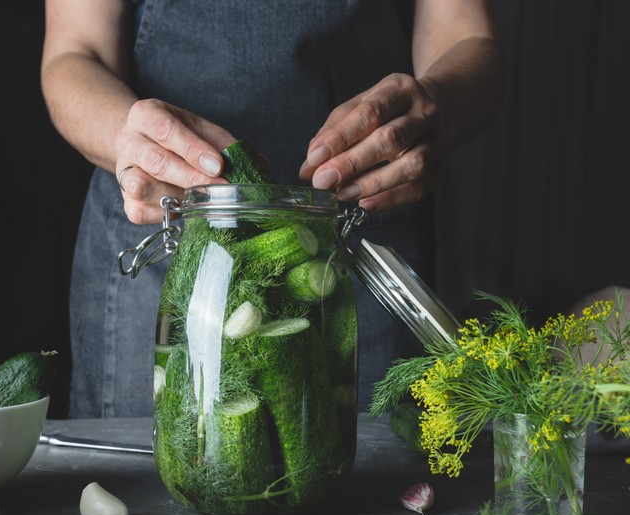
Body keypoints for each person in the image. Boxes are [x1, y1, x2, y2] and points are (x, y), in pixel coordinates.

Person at [41, 0, 505, 418]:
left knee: (369, 488)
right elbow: (75, 52)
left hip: (355, 244)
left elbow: (467, 35)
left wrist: (436, 107)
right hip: (174, 237)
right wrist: (131, 138)